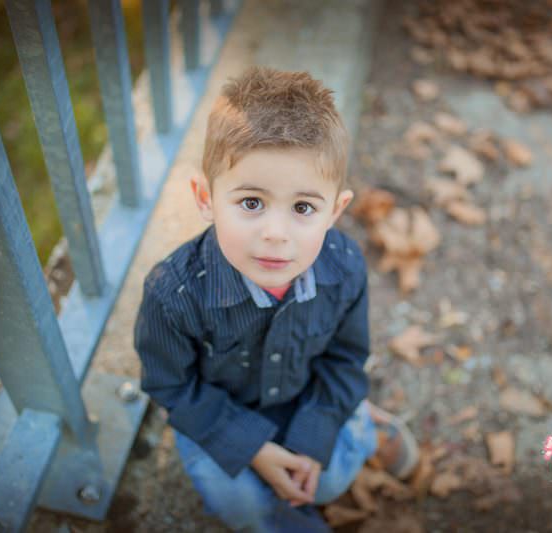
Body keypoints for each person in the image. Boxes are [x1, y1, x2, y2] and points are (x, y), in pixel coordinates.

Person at [134, 66, 418, 532]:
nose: (275, 234)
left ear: (335, 210)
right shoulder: (173, 295)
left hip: (304, 397)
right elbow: (170, 386)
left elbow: (346, 358)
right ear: (205, 198)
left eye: (303, 207)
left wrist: (313, 438)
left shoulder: (344, 266)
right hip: (219, 415)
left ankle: (360, 425)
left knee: (329, 481)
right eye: (251, 202)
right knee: (244, 509)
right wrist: (253, 449)